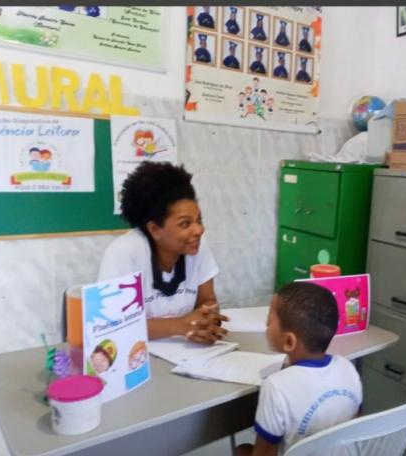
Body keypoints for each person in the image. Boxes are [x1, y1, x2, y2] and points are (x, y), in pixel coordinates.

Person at [98, 161, 228, 343]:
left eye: (198, 220)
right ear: (155, 230)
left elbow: (207, 300)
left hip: (188, 355)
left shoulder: (198, 246)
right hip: (137, 357)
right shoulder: (124, 252)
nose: (198, 230)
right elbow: (114, 325)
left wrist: (208, 319)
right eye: (185, 223)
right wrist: (181, 325)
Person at [235, 282, 362, 456]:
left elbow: (264, 453)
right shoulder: (348, 368)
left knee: (241, 451)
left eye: (269, 320)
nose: (265, 324)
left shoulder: (276, 386)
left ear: (289, 342)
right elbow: (357, 423)